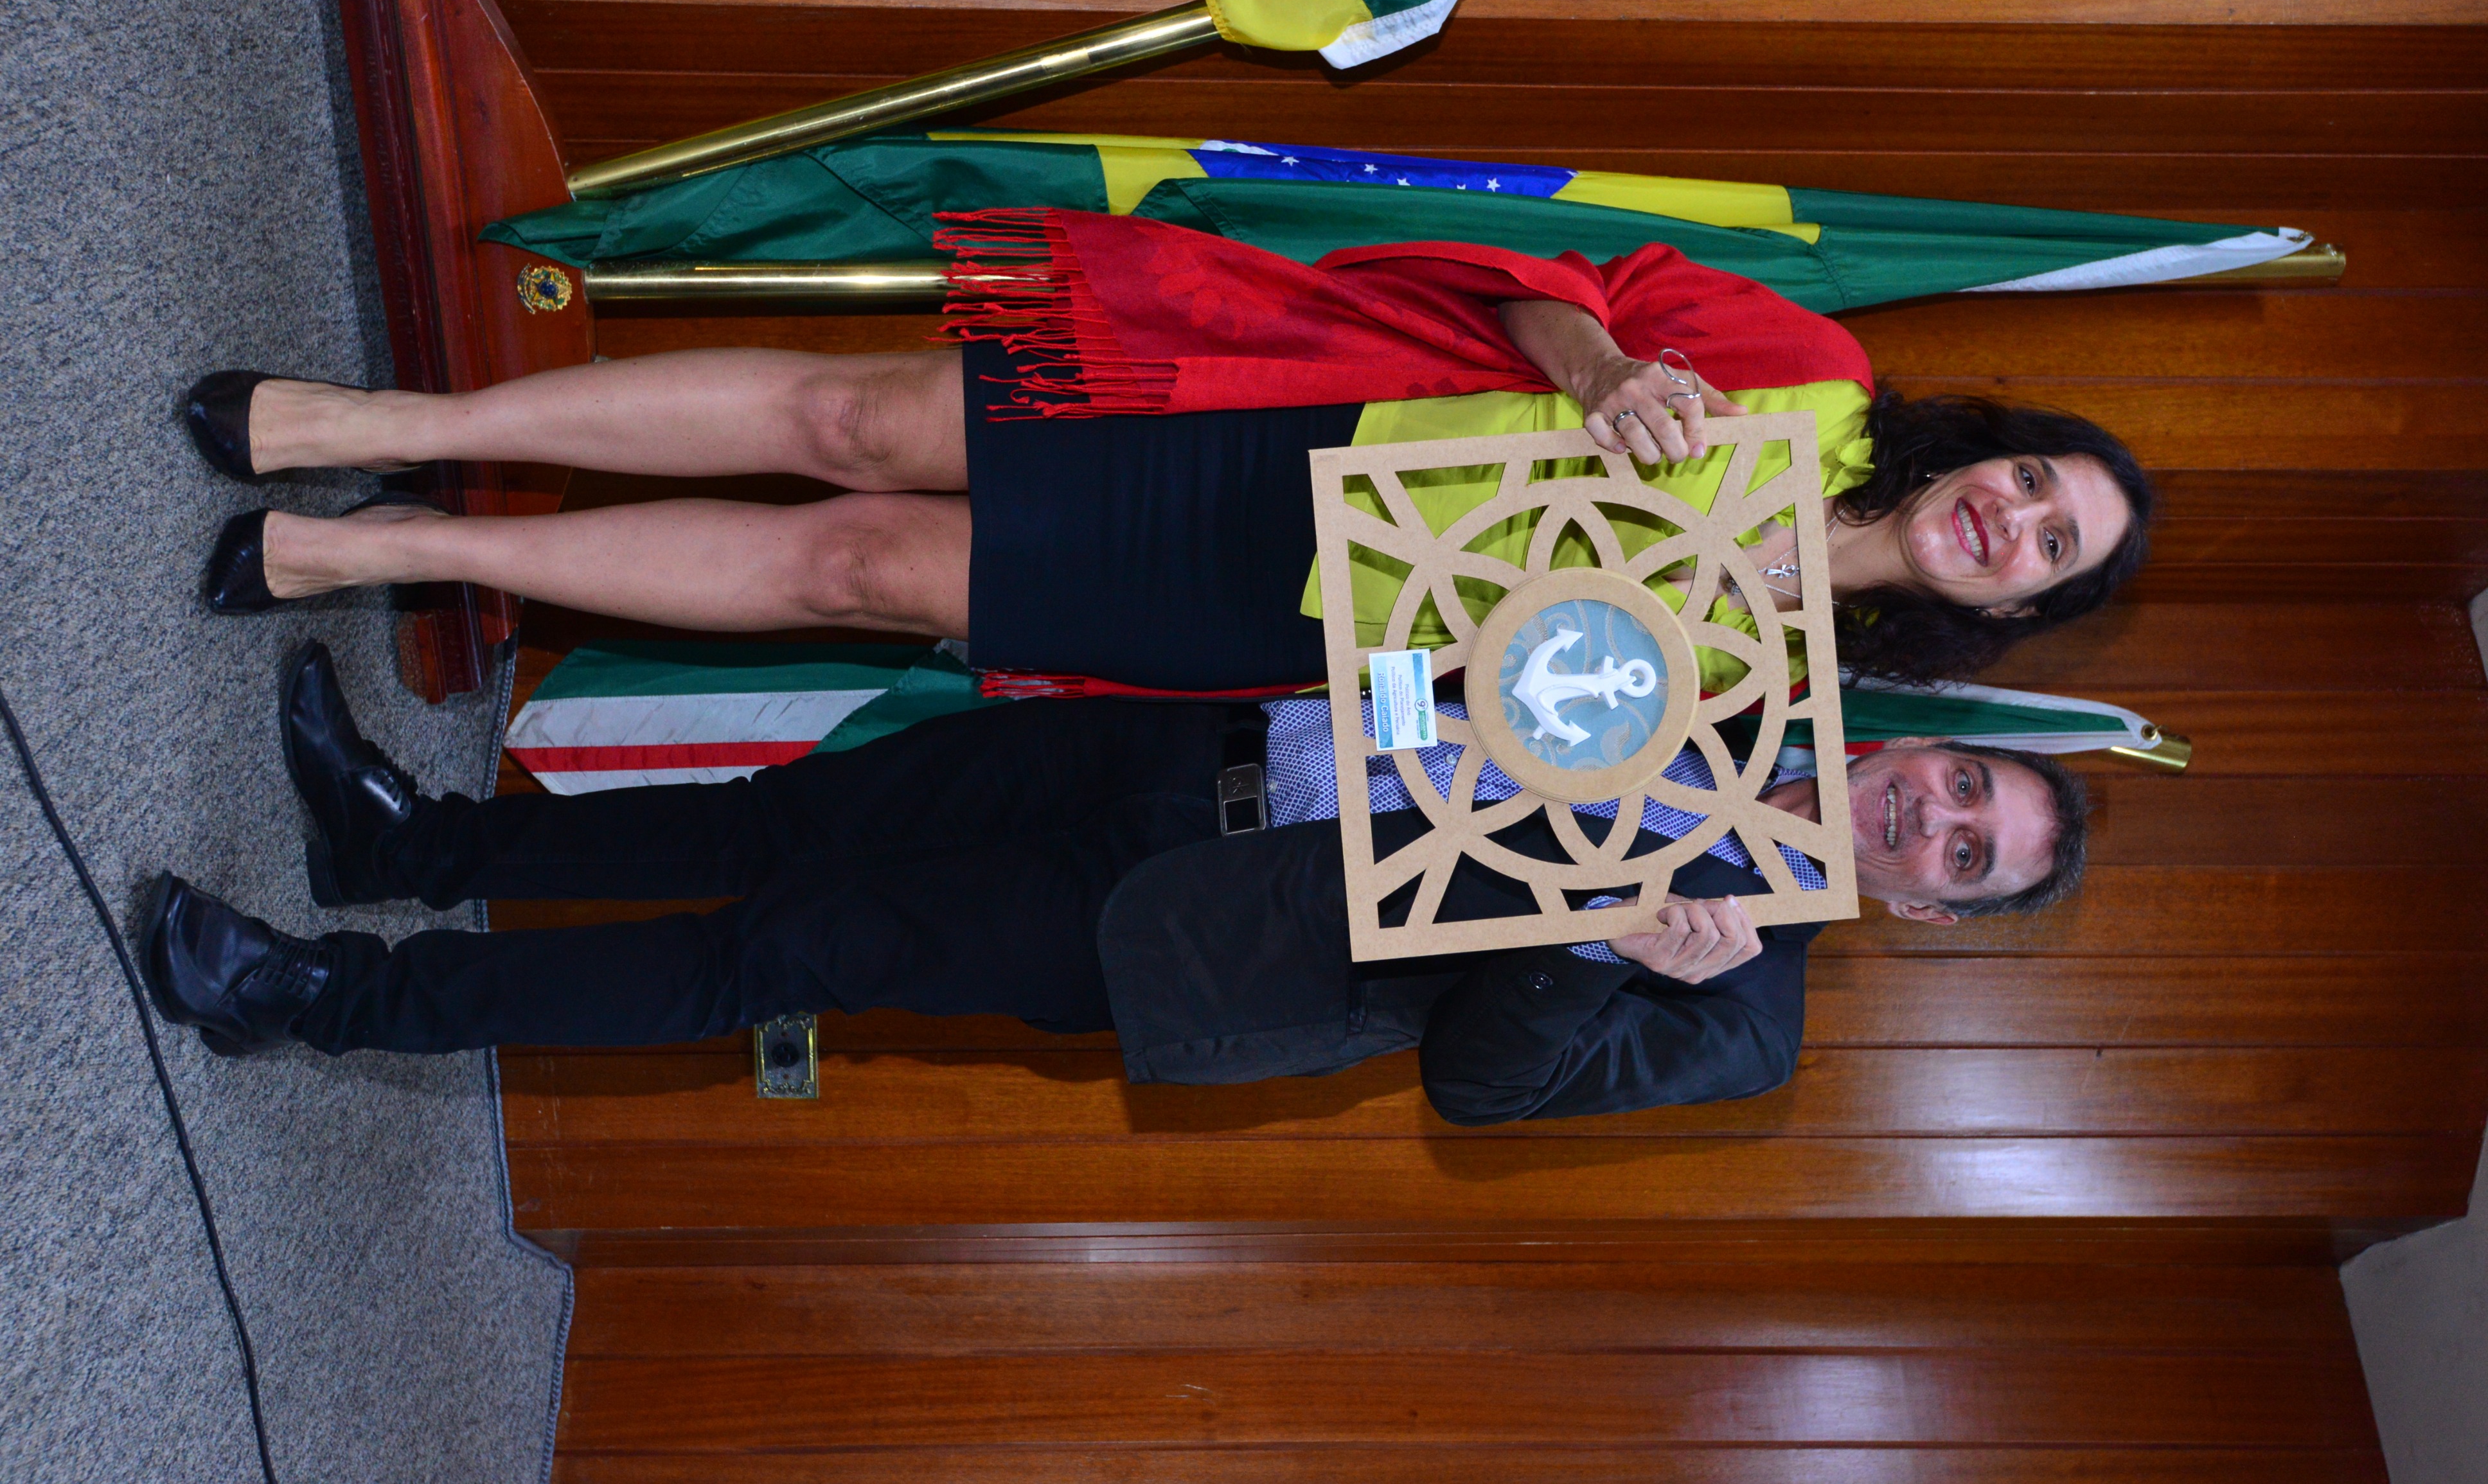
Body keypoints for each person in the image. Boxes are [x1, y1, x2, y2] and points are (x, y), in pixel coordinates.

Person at [186, 213, 2152, 693]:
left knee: (850, 569)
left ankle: (389, 549)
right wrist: (1600, 366)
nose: (2013, 520)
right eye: (2037, 482)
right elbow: (1551, 280)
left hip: (1295, 612)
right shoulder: (1814, 369)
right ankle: (385, 423)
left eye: (2048, 548)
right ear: (1997, 449)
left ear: (2015, 608)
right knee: (848, 421)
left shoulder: (1779, 689)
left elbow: (1505, 765)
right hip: (1280, 412)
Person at [140, 642, 2088, 1123]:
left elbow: (1483, 1087)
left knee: (773, 951)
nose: (1932, 819)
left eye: (1964, 856)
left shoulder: (1740, 1014)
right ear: (1924, 746)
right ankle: (413, 847)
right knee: (772, 823)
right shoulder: (1728, 665)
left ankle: (322, 999)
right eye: (1963, 786)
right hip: (1184, 748)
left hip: (1189, 930)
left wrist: (1597, 937)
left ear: (1929, 910)